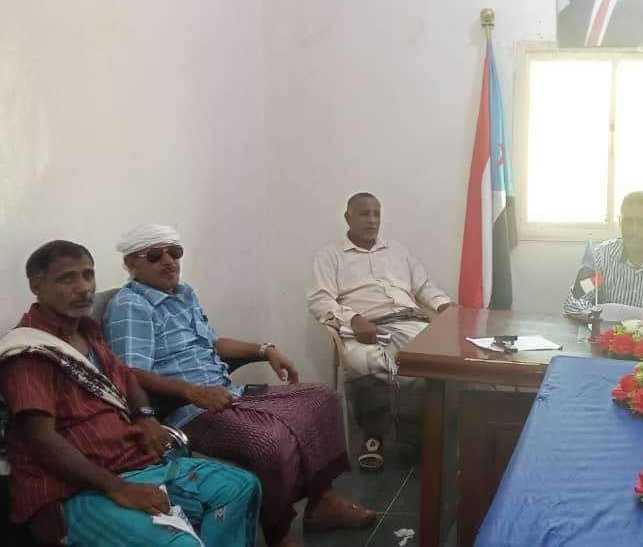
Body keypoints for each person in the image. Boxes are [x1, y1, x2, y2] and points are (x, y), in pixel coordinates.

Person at [102, 224, 375, 547]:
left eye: (174, 252)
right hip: (189, 408)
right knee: (270, 442)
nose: (168, 261)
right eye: (154, 255)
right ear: (130, 263)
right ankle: (279, 532)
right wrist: (192, 392)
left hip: (226, 393)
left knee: (323, 398)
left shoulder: (183, 293)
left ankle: (322, 501)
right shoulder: (131, 305)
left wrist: (265, 349)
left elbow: (213, 343)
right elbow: (130, 372)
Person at [0, 240, 262, 546]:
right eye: (67, 279)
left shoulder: (87, 332)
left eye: (88, 275)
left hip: (133, 462)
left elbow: (126, 377)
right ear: (37, 286)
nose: (83, 288)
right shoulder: (29, 353)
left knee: (240, 487)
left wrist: (146, 417)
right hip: (76, 489)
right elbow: (40, 439)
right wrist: (117, 488)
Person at [307, 192, 455, 471]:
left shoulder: (398, 251)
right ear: (348, 217)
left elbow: (424, 286)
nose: (372, 220)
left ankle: (416, 434)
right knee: (364, 362)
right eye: (364, 213)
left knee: (430, 360)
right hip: (366, 326)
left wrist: (444, 305)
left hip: (409, 320)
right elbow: (320, 300)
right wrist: (353, 319)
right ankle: (373, 436)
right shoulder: (330, 256)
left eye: (376, 213)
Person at [563, 191, 643, 316]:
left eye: (642, 223)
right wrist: (595, 317)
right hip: (608, 328)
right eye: (628, 221)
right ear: (620, 221)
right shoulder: (603, 255)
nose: (634, 230)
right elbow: (576, 300)